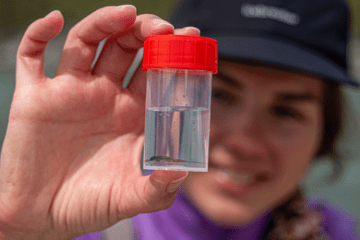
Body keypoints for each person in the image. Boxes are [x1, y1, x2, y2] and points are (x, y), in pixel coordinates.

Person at [0, 0, 358, 239]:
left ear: (325, 132)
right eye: (217, 94)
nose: (244, 141)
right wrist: (17, 226)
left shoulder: (340, 233)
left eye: (286, 111)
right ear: (160, 95)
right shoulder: (74, 223)